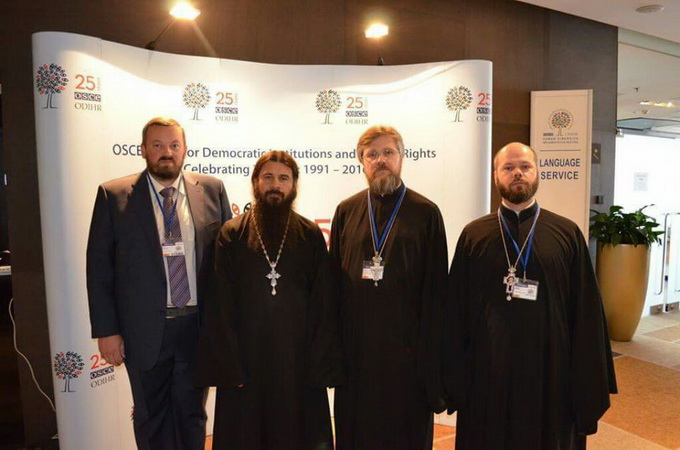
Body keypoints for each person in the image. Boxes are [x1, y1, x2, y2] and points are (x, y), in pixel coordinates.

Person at [446, 142, 617, 450]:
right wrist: (453, 375)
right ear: (496, 176)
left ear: (538, 172)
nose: (517, 173)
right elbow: (454, 312)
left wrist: (586, 380)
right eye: (508, 168)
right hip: (489, 368)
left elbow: (585, 312)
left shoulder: (566, 233)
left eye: (525, 167)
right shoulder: (474, 235)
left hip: (551, 369)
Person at [86, 117, 231, 450]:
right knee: (150, 416)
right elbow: (99, 269)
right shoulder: (113, 195)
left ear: (185, 149)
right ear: (143, 150)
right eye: (158, 145)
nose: (167, 152)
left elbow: (227, 263)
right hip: (144, 330)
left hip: (197, 327)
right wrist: (107, 331)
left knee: (193, 414)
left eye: (174, 145)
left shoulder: (212, 190)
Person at [196, 150, 343, 450]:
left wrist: (319, 362)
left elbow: (323, 304)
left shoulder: (310, 234)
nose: (276, 185)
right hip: (246, 363)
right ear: (255, 183)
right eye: (268, 177)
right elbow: (220, 304)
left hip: (297, 364)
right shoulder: (232, 234)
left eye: (283, 178)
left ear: (294, 186)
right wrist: (229, 366)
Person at [329, 126, 448, 449]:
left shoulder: (426, 212)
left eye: (388, 152)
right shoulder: (346, 211)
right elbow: (333, 287)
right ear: (362, 162)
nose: (380, 160)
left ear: (401, 157)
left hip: (407, 357)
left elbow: (437, 292)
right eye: (372, 154)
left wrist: (430, 358)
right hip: (356, 355)